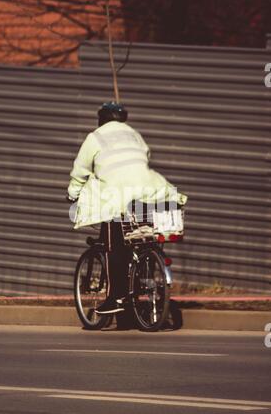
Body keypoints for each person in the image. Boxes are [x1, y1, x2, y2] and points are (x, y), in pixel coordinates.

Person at [67, 102, 187, 314]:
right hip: (149, 191)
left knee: (114, 245)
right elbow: (145, 158)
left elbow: (81, 171)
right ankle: (143, 272)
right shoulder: (134, 134)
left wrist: (73, 194)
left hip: (119, 197)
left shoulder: (95, 137)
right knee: (141, 236)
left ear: (101, 119)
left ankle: (116, 298)